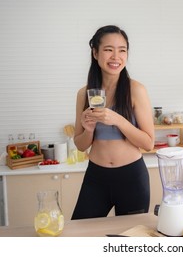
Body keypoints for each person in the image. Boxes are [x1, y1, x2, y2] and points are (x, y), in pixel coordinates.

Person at [71, 25, 155, 220]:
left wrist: (117, 120)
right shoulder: (84, 94)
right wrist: (89, 130)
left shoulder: (136, 90)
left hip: (131, 178)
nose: (116, 57)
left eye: (122, 50)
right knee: (80, 235)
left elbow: (148, 143)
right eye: (109, 49)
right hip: (96, 177)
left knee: (128, 240)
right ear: (95, 52)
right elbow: (80, 145)